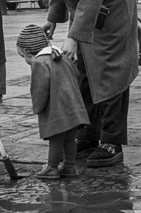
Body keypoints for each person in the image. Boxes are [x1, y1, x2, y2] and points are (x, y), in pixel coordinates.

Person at [6, 0, 139, 168]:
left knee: (111, 71)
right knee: (84, 70)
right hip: (87, 7)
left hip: (112, 4)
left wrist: (74, 37)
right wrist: (52, 19)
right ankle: (88, 135)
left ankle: (112, 142)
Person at [16, 24, 88, 180]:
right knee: (70, 139)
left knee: (56, 140)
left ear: (28, 52)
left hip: (58, 111)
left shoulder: (40, 62)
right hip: (75, 108)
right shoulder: (61, 56)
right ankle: (69, 166)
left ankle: (51, 167)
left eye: (23, 56)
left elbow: (39, 89)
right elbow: (77, 75)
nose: (26, 61)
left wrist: (38, 107)